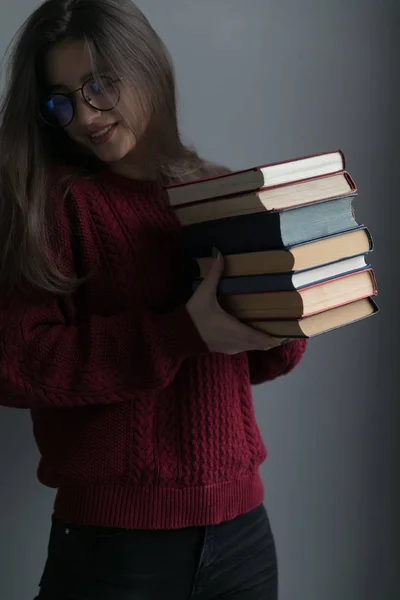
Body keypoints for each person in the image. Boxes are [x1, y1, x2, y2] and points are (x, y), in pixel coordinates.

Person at [0, 1, 307, 598]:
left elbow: (262, 364)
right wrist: (179, 334)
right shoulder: (49, 203)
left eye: (99, 85)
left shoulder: (212, 188)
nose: (85, 115)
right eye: (63, 99)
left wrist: (285, 314)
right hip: (116, 545)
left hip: (243, 530)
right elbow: (16, 364)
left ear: (145, 67)